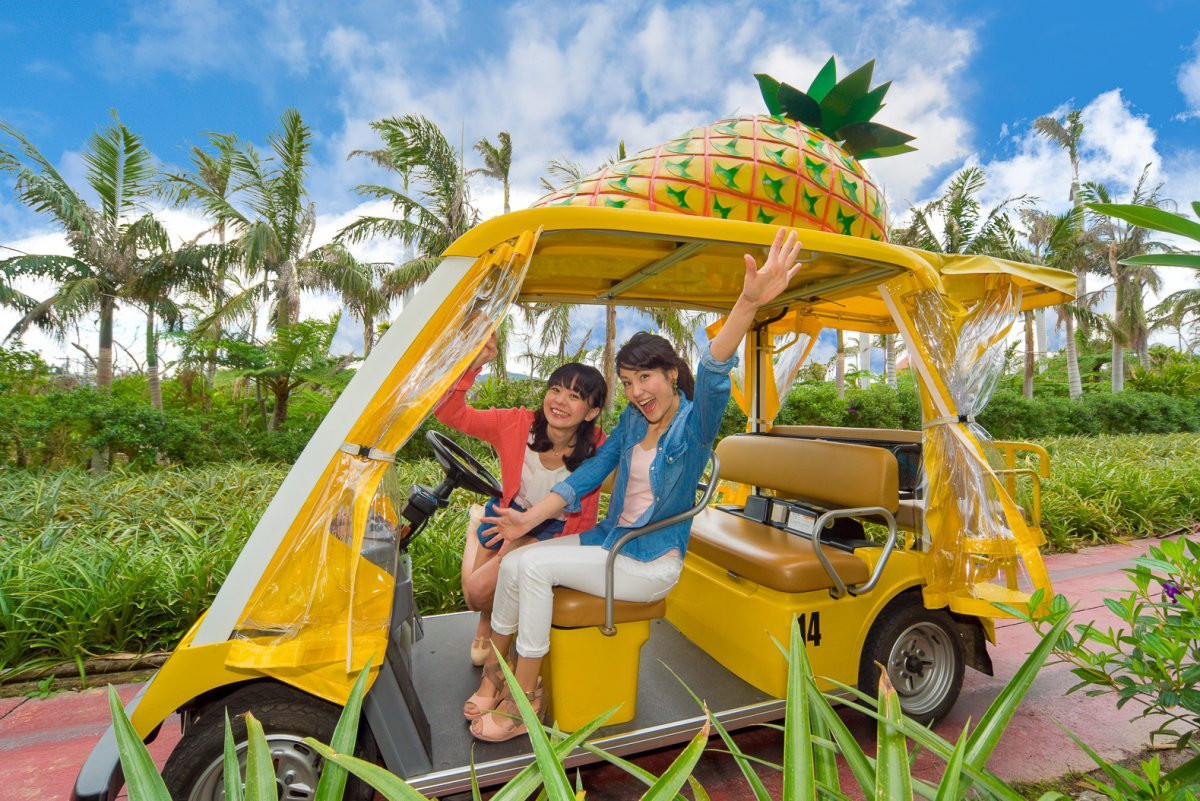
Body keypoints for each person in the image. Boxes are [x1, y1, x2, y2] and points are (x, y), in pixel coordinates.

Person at [467, 228, 806, 742]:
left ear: (670, 375)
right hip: (611, 541)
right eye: (626, 382)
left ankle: (523, 701)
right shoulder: (630, 423)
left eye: (644, 378)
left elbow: (716, 370)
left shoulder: (692, 428)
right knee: (514, 561)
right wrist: (529, 519)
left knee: (531, 568)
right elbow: (591, 472)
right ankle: (499, 673)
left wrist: (747, 302)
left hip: (648, 560)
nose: (636, 391)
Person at [433, 334, 608, 687]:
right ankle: (488, 620)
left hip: (553, 530)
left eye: (575, 396)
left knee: (478, 591)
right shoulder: (515, 423)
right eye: (555, 390)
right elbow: (449, 412)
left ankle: (476, 534)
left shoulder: (601, 445)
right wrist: (471, 364)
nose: (560, 401)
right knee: (480, 593)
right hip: (509, 513)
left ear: (591, 412)